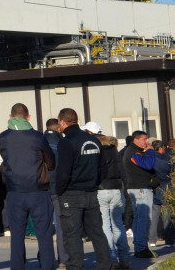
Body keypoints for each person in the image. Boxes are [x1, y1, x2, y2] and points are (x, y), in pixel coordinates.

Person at [0, 103, 55, 270]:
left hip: (15, 191)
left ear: (10, 117)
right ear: (28, 117)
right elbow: (51, 162)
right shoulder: (38, 137)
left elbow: (6, 159)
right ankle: (47, 266)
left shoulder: (3, 137)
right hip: (38, 190)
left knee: (17, 236)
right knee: (44, 235)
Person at [55, 107, 111, 270]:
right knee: (97, 233)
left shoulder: (66, 142)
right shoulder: (93, 140)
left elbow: (63, 172)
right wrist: (93, 183)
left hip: (71, 194)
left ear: (62, 122)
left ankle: (75, 267)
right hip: (91, 192)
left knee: (72, 235)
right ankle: (105, 266)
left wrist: (60, 190)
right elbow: (104, 169)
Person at [88, 122, 129, 270]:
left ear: (91, 133)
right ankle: (125, 258)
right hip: (116, 188)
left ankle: (112, 258)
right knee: (118, 224)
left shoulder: (94, 148)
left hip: (102, 188)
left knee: (105, 224)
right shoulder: (113, 148)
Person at [122, 130, 157, 259]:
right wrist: (150, 151)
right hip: (140, 188)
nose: (146, 142)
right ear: (135, 139)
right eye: (143, 139)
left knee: (138, 218)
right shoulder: (133, 152)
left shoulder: (132, 151)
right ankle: (141, 247)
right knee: (144, 218)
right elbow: (148, 164)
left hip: (136, 187)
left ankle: (139, 245)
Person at [45, 117, 70, 268]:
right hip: (60, 189)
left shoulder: (39, 141)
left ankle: (45, 258)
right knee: (61, 226)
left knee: (44, 226)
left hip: (42, 188)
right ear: (59, 128)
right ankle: (63, 259)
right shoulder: (63, 143)